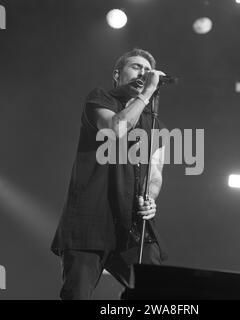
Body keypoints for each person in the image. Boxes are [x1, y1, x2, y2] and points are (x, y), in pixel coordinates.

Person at [50, 48, 168, 300]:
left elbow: (155, 172)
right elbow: (116, 129)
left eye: (148, 71)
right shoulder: (100, 98)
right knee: (77, 295)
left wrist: (151, 198)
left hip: (133, 225)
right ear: (117, 74)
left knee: (158, 293)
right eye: (137, 67)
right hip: (90, 220)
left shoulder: (156, 123)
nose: (144, 74)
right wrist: (147, 93)